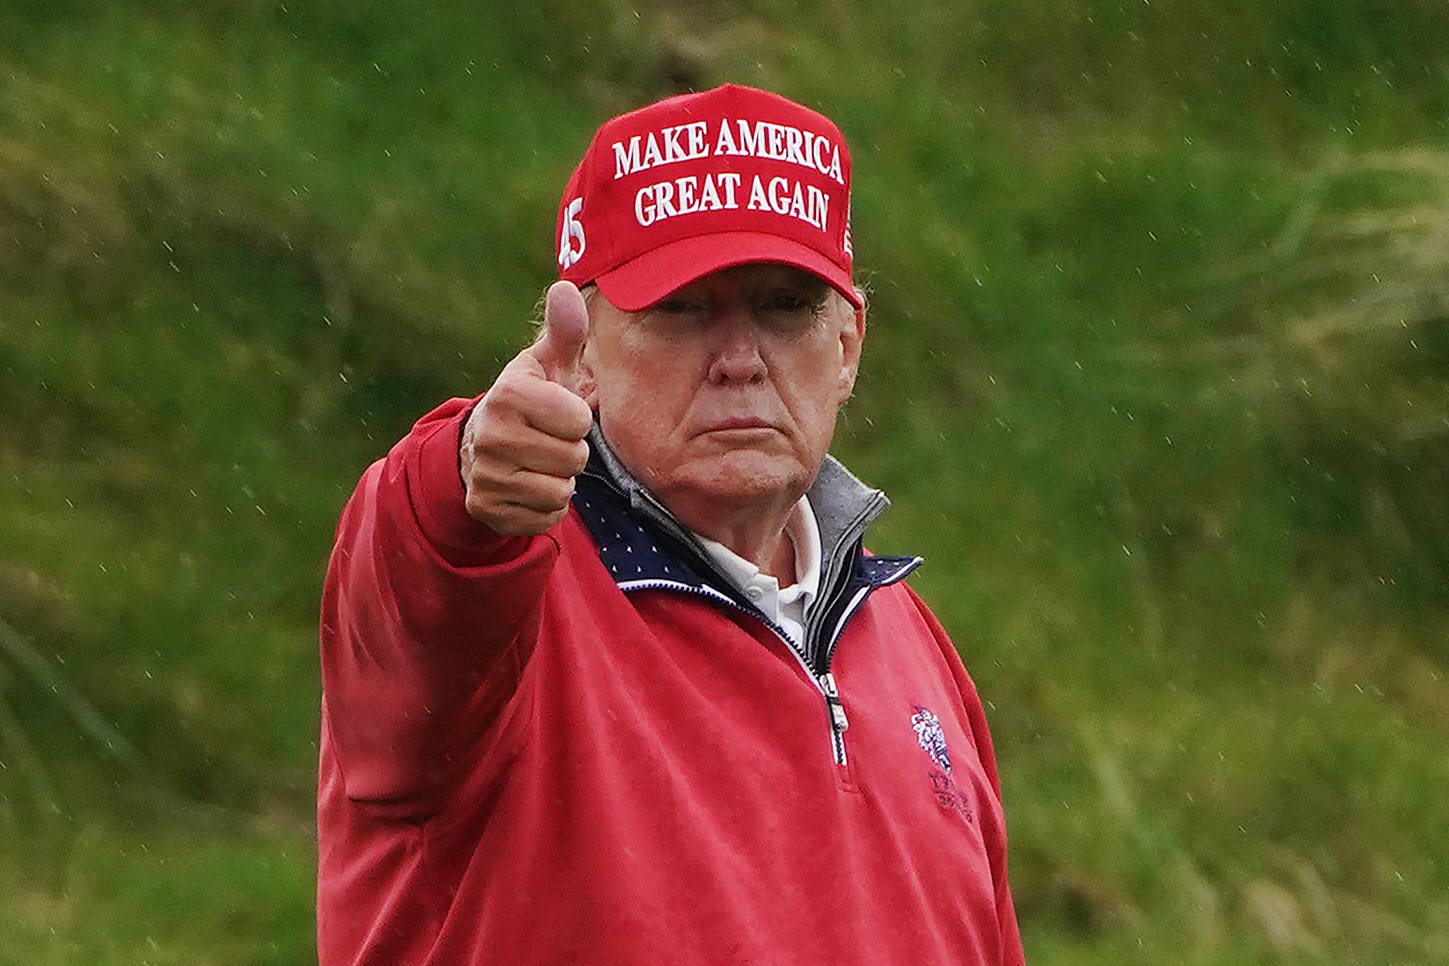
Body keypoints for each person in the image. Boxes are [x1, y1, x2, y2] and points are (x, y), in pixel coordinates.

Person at [317, 83, 1023, 965]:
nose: (738, 360)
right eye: (681, 310)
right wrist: (464, 473)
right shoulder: (495, 597)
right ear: (580, 357)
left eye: (782, 306)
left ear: (846, 349)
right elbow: (415, 570)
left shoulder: (907, 639)